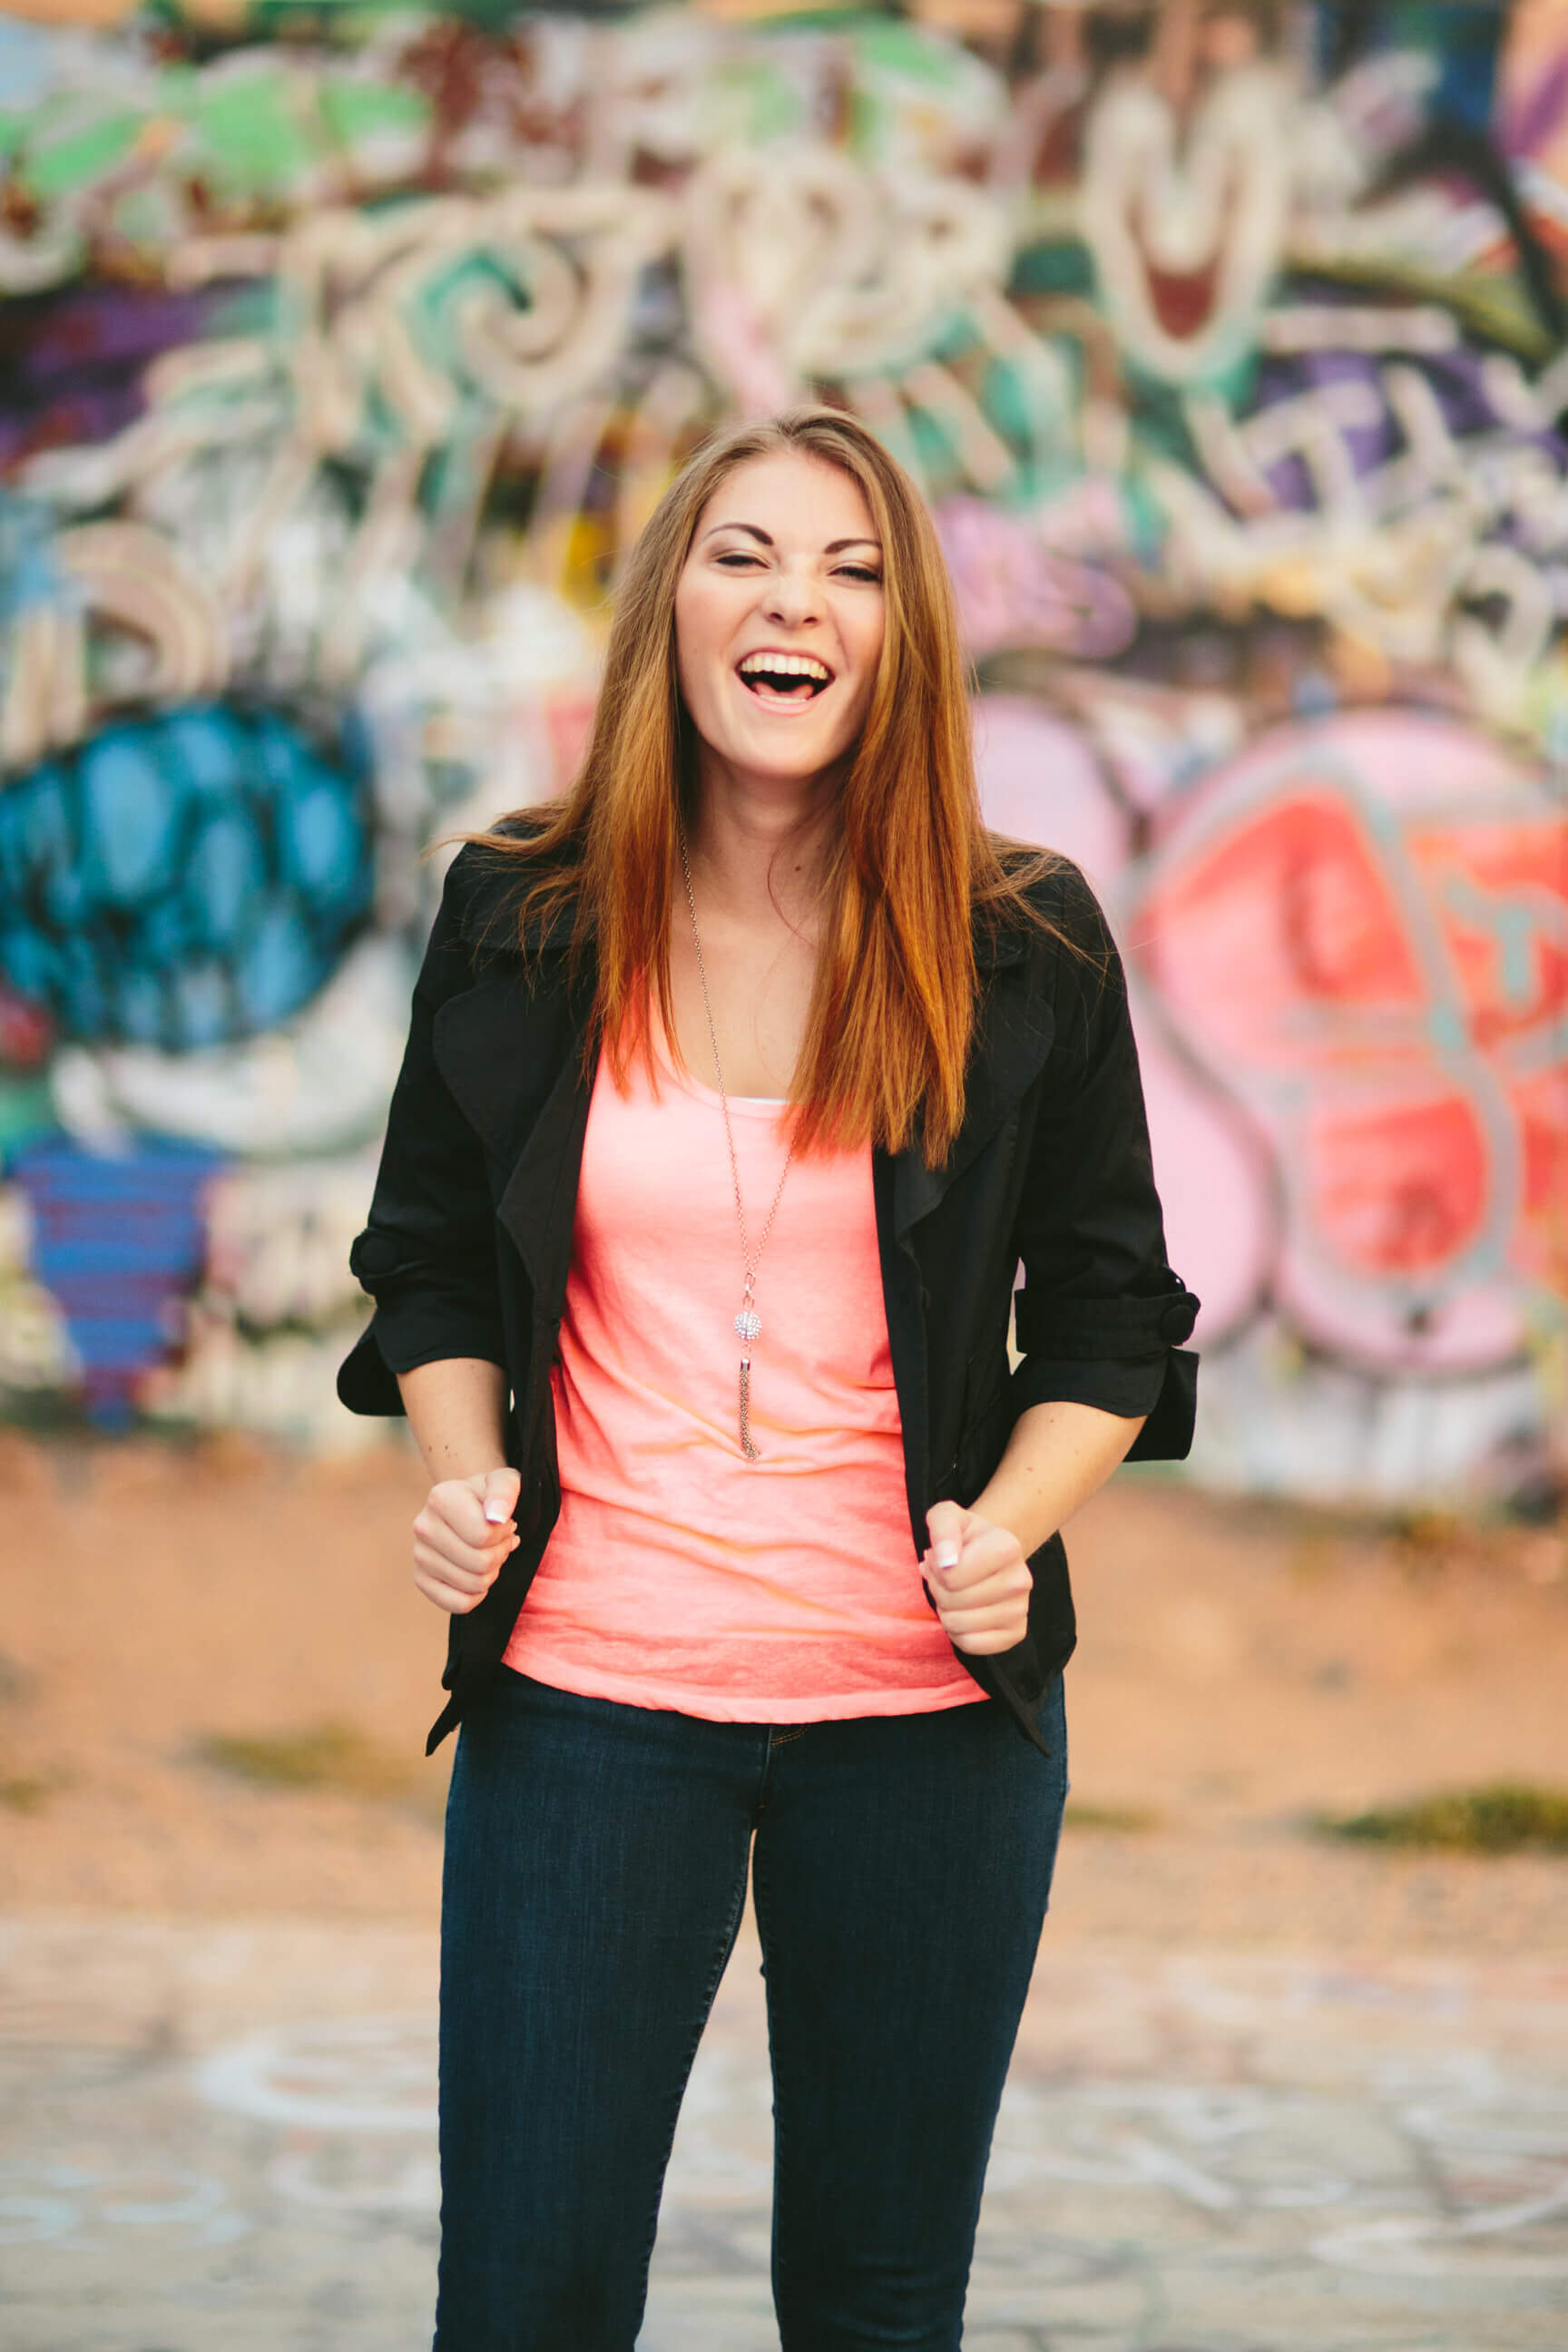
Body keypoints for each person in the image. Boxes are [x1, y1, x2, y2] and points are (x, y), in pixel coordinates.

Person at [338, 406, 1199, 2352]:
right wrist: (463, 1476)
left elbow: (1114, 1318)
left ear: (904, 638)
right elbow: (427, 1260)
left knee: (877, 2309)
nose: (794, 599)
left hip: (925, 1726)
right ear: (672, 607)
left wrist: (1012, 1526)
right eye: (744, 553)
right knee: (529, 2297)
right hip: (586, 1706)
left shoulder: (1024, 942)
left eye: (855, 566)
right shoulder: (521, 917)